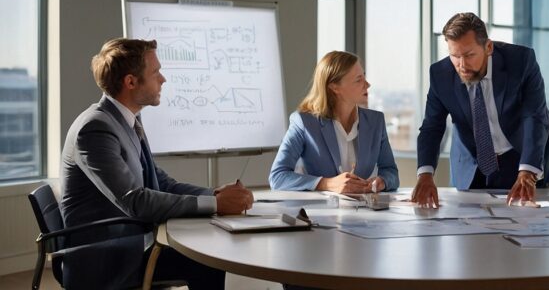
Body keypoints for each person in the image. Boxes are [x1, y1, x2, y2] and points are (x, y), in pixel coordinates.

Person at [59, 38, 254, 290]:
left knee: (207, 248)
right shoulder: (95, 129)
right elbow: (135, 200)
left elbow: (160, 182)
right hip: (106, 257)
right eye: (156, 72)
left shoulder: (125, 121)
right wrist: (216, 204)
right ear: (130, 82)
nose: (163, 79)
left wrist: (215, 195)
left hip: (130, 243)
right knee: (208, 259)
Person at [412, 12, 549, 208]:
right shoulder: (440, 75)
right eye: (455, 56)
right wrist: (425, 174)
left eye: (469, 55)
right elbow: (431, 128)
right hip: (469, 167)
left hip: (517, 162)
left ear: (488, 47)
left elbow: (534, 117)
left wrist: (527, 171)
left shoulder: (521, 62)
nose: (461, 65)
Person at [270, 51, 398, 193]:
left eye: (364, 76)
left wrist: (382, 182)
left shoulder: (375, 121)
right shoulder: (304, 122)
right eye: (358, 79)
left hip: (364, 211)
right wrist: (327, 184)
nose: (367, 84)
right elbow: (277, 177)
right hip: (318, 212)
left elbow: (391, 172)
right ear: (334, 87)